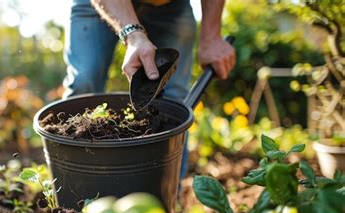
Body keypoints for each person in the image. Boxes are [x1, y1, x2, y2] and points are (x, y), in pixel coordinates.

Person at [62, 0, 236, 179]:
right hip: (99, 5)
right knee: (84, 82)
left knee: (174, 104)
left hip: (170, 7)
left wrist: (211, 36)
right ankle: (74, 185)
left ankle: (166, 194)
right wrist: (132, 34)